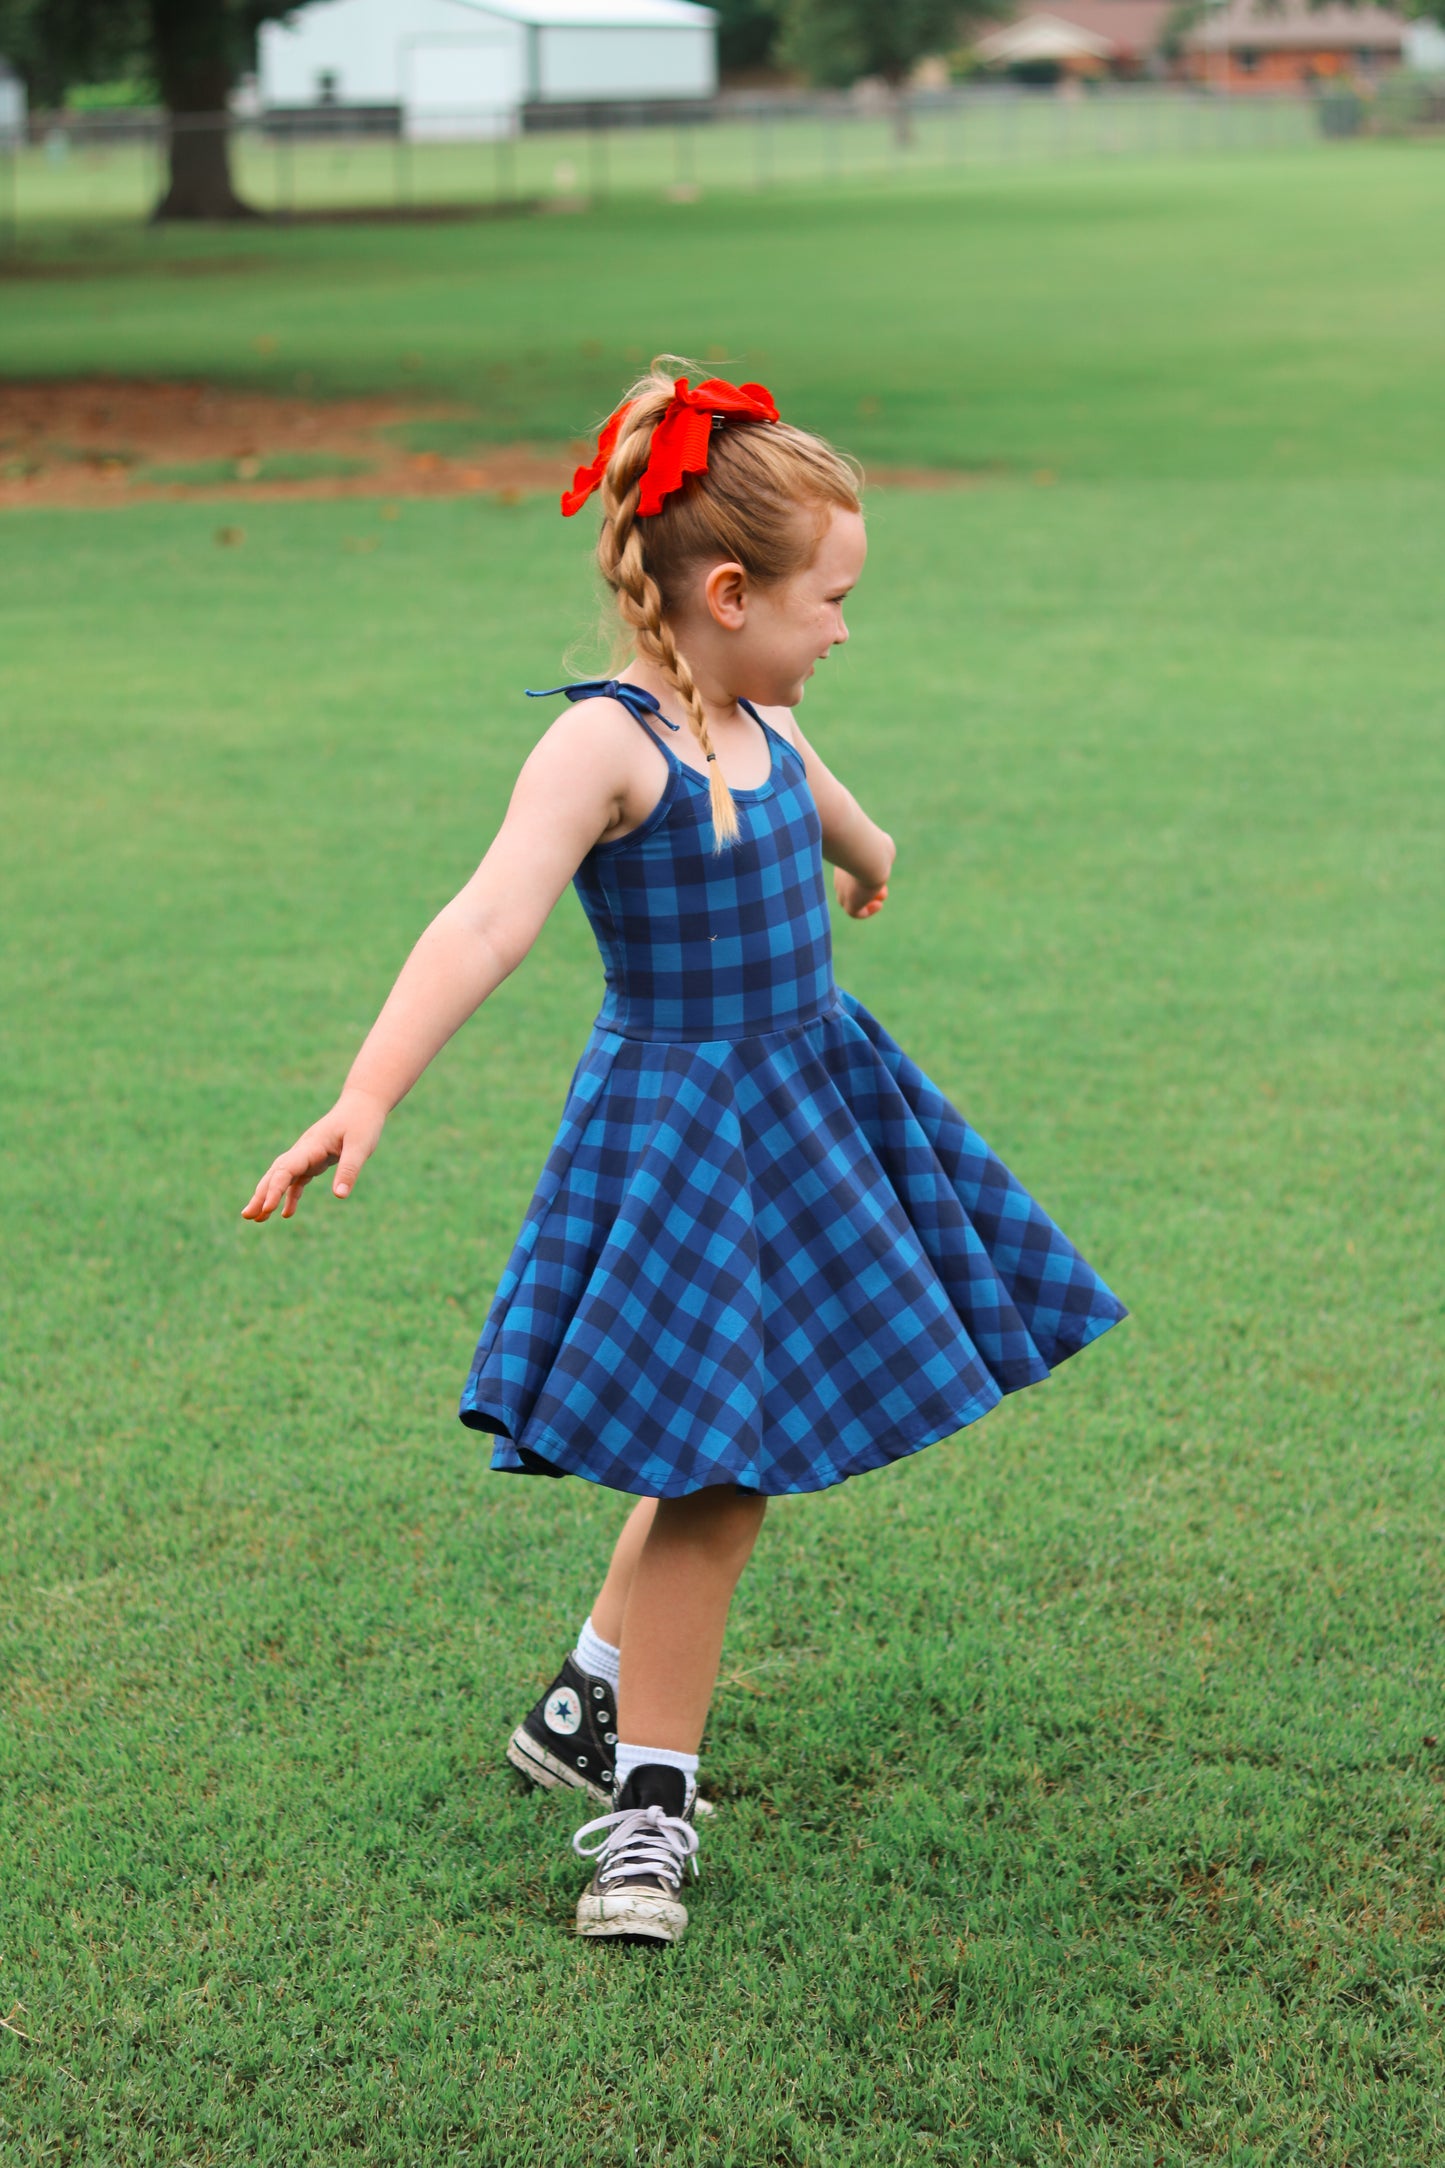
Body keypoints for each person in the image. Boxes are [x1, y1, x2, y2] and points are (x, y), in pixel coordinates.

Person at [243, 358, 1126, 1948]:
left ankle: (588, 1700)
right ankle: (641, 1810)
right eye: (828, 597)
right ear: (728, 591)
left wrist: (869, 861)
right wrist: (365, 1094)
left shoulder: (762, 715)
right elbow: (487, 918)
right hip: (681, 1140)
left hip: (810, 1109)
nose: (845, 625)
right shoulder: (606, 747)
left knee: (716, 1444)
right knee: (717, 1472)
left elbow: (831, 810)